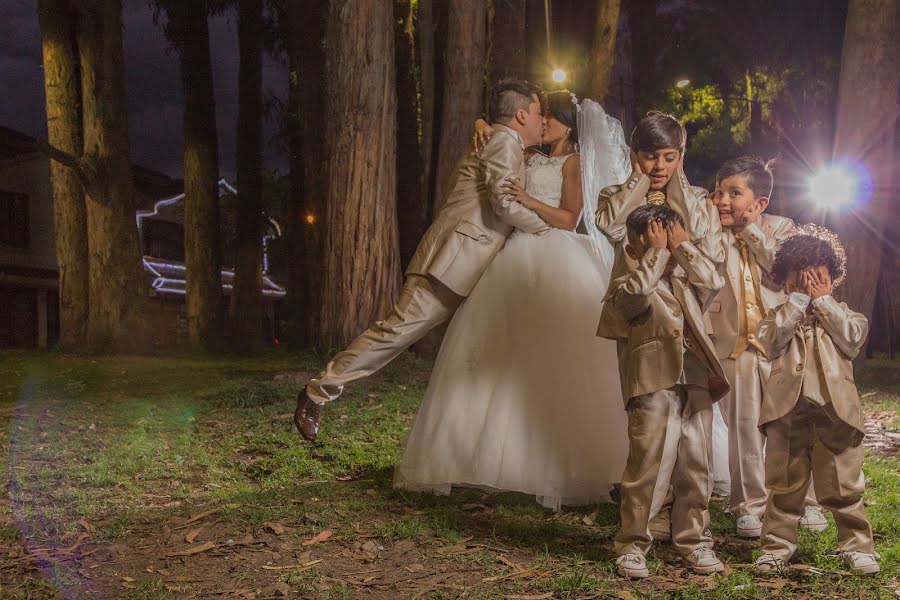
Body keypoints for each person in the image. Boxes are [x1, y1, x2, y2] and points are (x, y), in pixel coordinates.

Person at [394, 91, 631, 511]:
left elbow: (570, 217)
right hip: (514, 255)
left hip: (555, 254)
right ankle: (477, 457)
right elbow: (498, 150)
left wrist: (528, 200)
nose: (543, 125)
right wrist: (483, 124)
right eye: (540, 118)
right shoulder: (529, 156)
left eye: (549, 120)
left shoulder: (572, 163)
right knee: (498, 349)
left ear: (566, 126)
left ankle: (553, 463)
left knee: (550, 358)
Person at [293, 78, 547, 442]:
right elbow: (504, 203)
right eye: (538, 113)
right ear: (522, 114)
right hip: (451, 262)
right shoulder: (503, 142)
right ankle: (318, 391)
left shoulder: (504, 141)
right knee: (396, 332)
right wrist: (548, 227)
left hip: (479, 267)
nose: (542, 120)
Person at [595, 110, 725, 542]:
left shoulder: (697, 199)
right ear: (635, 155)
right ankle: (635, 536)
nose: (659, 167)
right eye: (650, 157)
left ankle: (692, 535)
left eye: (669, 157)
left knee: (695, 445)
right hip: (642, 322)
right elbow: (610, 226)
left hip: (691, 326)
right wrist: (636, 182)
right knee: (648, 433)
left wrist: (678, 188)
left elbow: (704, 243)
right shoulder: (616, 193)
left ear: (681, 156)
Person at [599, 204, 728, 578]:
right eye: (659, 239)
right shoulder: (627, 279)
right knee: (648, 465)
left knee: (696, 464)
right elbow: (634, 297)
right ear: (638, 243)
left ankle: (695, 540)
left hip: (696, 378)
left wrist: (684, 246)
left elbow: (713, 279)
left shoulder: (687, 278)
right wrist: (655, 253)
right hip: (652, 381)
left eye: (672, 239)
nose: (669, 249)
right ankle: (633, 544)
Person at [707, 157, 827, 537]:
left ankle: (803, 501)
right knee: (743, 426)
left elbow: (781, 270)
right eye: (719, 191)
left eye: (734, 193)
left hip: (781, 344)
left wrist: (751, 230)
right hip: (733, 343)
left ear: (760, 203)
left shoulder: (782, 229)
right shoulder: (711, 230)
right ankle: (748, 505)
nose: (722, 200)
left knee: (790, 425)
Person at [754, 226, 879, 576]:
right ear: (786, 280)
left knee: (843, 484)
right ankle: (776, 547)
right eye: (801, 276)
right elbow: (771, 342)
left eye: (818, 276)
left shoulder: (846, 316)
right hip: (787, 412)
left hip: (835, 414)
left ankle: (856, 545)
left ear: (832, 278)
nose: (809, 283)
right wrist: (795, 303)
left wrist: (823, 303)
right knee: (784, 486)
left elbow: (852, 340)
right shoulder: (776, 317)